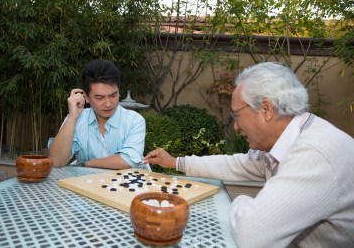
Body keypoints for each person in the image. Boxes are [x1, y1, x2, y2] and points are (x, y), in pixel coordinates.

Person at [143, 62, 354, 248]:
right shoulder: (290, 141)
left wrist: (239, 200)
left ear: (266, 109)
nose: (235, 127)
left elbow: (251, 235)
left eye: (237, 115)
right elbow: (236, 164)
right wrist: (175, 162)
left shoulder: (313, 155)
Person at [48, 59, 147, 170]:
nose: (108, 103)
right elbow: (56, 160)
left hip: (127, 185)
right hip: (88, 185)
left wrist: (88, 163)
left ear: (119, 92)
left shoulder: (134, 120)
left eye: (113, 95)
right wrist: (72, 118)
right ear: (86, 97)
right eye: (99, 98)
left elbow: (127, 161)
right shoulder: (77, 119)